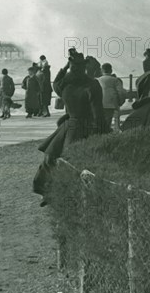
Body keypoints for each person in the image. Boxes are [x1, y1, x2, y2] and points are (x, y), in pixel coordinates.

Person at [33, 51, 108, 206]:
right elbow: (98, 113)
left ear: (71, 67)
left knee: (52, 157)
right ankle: (61, 193)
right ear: (84, 68)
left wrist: (65, 67)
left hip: (70, 125)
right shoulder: (91, 84)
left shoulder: (66, 83)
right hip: (82, 125)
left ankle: (48, 191)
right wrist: (102, 131)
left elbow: (55, 83)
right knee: (70, 160)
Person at [97, 63, 126, 131]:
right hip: (112, 104)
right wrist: (121, 102)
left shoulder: (97, 80)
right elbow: (120, 92)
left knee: (101, 123)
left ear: (102, 70)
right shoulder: (115, 80)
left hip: (99, 104)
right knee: (114, 122)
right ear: (111, 70)